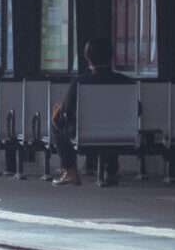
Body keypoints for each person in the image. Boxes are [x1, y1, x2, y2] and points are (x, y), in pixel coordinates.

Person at [51, 41, 127, 188]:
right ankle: (111, 172)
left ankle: (70, 171)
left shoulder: (80, 81)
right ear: (111, 56)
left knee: (57, 125)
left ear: (88, 58)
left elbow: (66, 111)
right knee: (111, 124)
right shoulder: (125, 81)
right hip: (119, 133)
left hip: (86, 132)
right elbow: (138, 110)